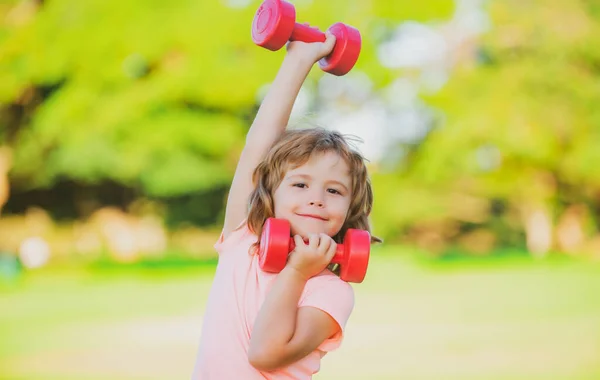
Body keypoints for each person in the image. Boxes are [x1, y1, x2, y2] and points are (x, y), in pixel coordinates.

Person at [192, 31, 379, 379]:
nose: (316, 198)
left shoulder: (331, 292)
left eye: (334, 191)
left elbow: (265, 353)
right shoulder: (242, 239)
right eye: (300, 184)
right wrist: (300, 58)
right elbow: (257, 145)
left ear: (349, 209)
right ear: (270, 193)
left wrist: (297, 271)